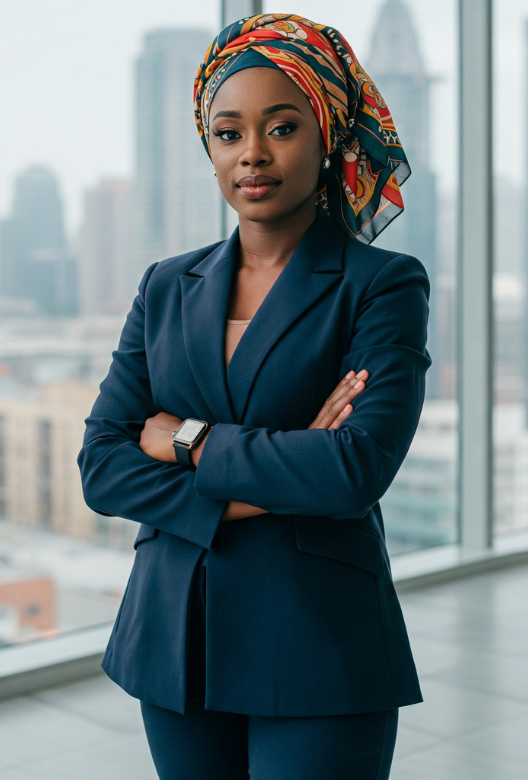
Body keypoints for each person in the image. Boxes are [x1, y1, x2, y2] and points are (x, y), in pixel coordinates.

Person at [77, 12, 432, 779]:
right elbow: (101, 465)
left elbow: (353, 469)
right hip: (175, 636)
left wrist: (185, 440)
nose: (254, 155)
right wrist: (278, 469)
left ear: (329, 133)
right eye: (229, 133)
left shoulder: (382, 285)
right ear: (208, 148)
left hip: (316, 641)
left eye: (282, 126)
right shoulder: (166, 284)